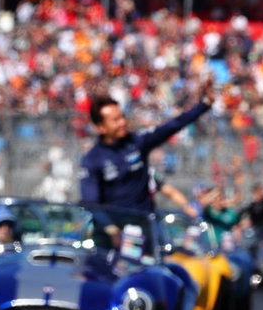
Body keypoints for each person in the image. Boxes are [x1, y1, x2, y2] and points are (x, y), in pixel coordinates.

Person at [79, 76, 213, 211]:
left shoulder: (138, 141)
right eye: (115, 120)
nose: (122, 122)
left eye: (122, 117)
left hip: (145, 224)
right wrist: (111, 230)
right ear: (100, 127)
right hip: (115, 227)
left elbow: (173, 125)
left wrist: (205, 104)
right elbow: (91, 203)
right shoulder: (92, 159)